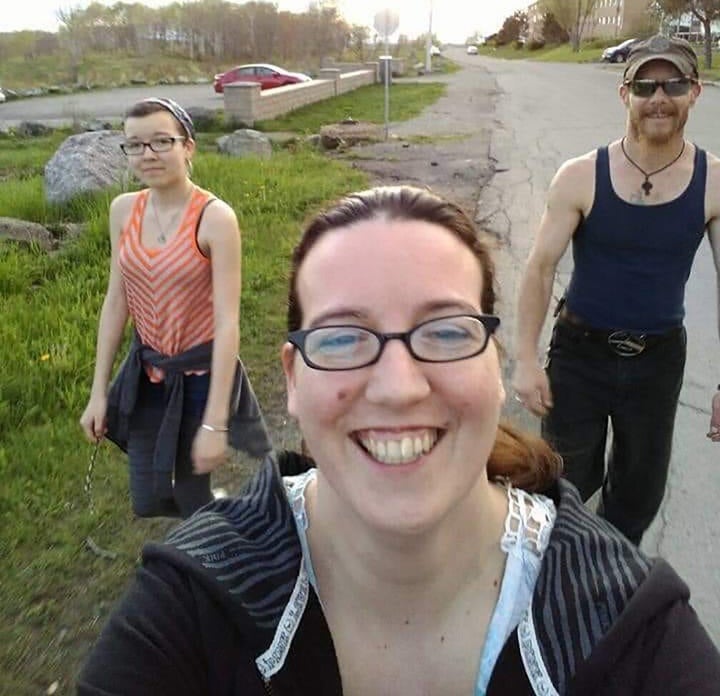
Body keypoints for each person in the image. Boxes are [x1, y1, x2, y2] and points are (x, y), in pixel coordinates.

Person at [77, 185, 720, 695]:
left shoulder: (628, 623)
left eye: (444, 331)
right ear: (293, 380)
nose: (397, 388)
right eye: (341, 337)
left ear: (493, 365)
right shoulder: (192, 605)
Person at [513, 35, 720, 545]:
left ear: (694, 91)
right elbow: (540, 268)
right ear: (624, 94)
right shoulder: (581, 176)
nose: (659, 97)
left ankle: (607, 579)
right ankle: (551, 578)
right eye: (645, 85)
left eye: (672, 83)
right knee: (561, 484)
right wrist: (524, 358)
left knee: (638, 494)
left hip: (658, 360)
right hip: (581, 355)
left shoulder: (714, 182)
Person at [79, 97, 271, 519]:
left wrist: (214, 423)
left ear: (188, 147)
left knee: (188, 488)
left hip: (199, 376)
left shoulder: (215, 218)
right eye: (136, 144)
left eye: (162, 141)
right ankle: (207, 520)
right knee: (147, 497)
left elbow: (227, 321)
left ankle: (208, 550)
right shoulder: (123, 210)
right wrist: (98, 394)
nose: (148, 154)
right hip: (146, 372)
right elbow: (117, 301)